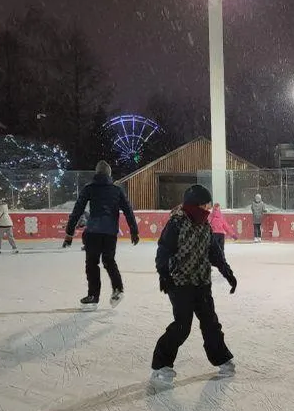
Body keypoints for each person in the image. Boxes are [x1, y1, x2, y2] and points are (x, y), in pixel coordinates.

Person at [150, 184, 238, 388]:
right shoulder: (177, 223)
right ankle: (160, 365)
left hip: (201, 282)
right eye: (203, 205)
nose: (207, 209)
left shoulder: (205, 225)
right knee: (182, 326)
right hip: (179, 282)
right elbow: (163, 250)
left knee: (210, 323)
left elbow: (215, 253)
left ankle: (222, 358)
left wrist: (228, 273)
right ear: (193, 205)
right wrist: (164, 275)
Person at [64, 160, 138, 307]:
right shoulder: (117, 190)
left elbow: (77, 211)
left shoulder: (89, 188)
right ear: (109, 174)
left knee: (92, 263)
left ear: (96, 173)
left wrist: (69, 233)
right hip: (110, 232)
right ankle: (118, 289)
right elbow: (128, 211)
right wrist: (134, 231)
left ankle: (93, 295)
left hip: (93, 232)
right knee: (109, 261)